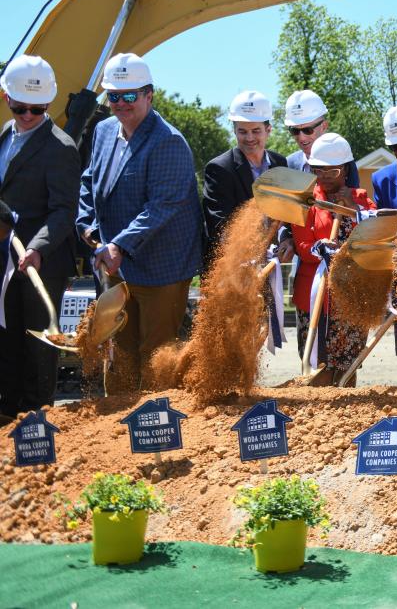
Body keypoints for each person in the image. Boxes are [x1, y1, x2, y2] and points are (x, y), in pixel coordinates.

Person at [76, 53, 202, 392]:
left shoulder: (168, 142)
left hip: (162, 268)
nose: (120, 103)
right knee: (119, 352)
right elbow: (89, 181)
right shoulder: (103, 131)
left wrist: (118, 244)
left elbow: (161, 206)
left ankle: (159, 429)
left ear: (149, 94)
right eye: (113, 95)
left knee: (155, 354)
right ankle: (118, 430)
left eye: (129, 95)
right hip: (117, 265)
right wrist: (88, 229)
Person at [0, 56, 79, 418]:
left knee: (37, 344)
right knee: (6, 339)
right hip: (4, 259)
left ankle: (36, 420)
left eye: (37, 109)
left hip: (39, 265)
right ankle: (7, 412)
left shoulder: (60, 147)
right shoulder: (5, 135)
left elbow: (63, 210)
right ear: (7, 99)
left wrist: (37, 247)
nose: (29, 115)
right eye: (21, 108)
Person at [290, 132, 376, 384]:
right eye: (319, 170)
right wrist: (321, 247)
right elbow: (303, 244)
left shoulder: (361, 198)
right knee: (320, 366)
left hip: (351, 297)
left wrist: (352, 209)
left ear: (345, 168)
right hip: (314, 294)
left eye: (332, 171)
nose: (325, 176)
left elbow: (373, 234)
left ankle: (346, 415)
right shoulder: (306, 200)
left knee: (347, 367)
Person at [201, 91, 287, 260]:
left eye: (256, 131)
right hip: (232, 266)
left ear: (268, 130)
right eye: (243, 132)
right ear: (234, 131)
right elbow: (219, 226)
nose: (249, 138)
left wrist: (285, 239)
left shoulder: (280, 163)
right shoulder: (219, 169)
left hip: (270, 262)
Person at [282, 90, 360, 187]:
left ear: (324, 126)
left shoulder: (342, 161)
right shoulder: (288, 164)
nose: (302, 137)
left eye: (308, 130)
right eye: (295, 131)